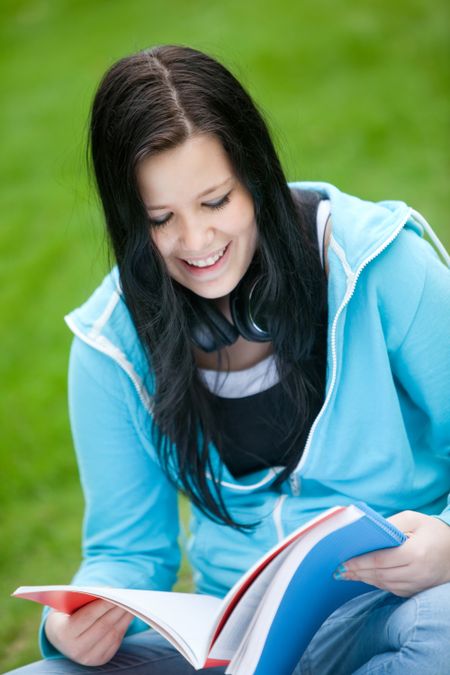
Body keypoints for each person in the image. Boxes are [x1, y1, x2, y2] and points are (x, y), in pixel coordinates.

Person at [9, 44, 450, 675]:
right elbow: (125, 552)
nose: (196, 242)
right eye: (160, 219)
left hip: (388, 612)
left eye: (216, 202)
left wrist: (448, 547)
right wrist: (74, 620)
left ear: (258, 176)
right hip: (225, 643)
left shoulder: (379, 265)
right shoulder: (110, 346)